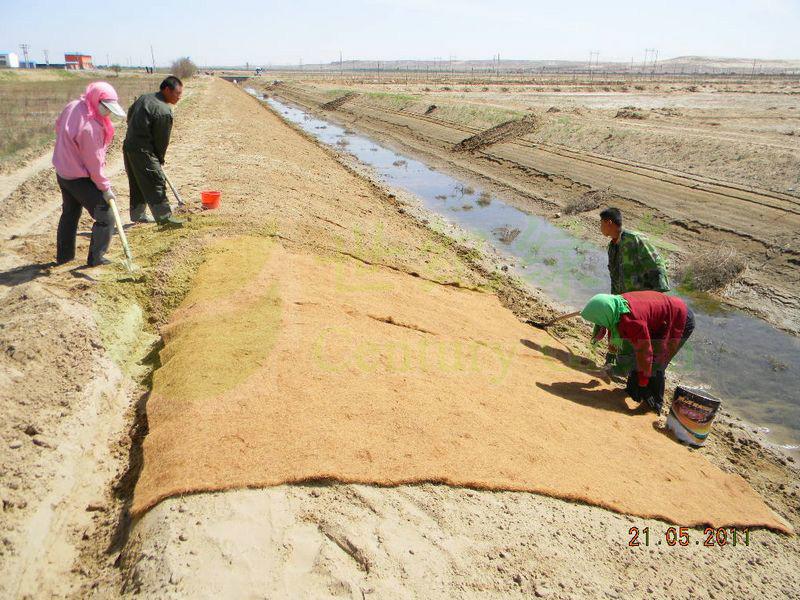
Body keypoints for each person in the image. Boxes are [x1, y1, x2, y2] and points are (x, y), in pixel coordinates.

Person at [581, 291, 695, 413]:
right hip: (657, 317)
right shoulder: (615, 307)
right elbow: (610, 328)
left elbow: (645, 353)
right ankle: (633, 391)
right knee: (636, 355)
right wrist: (610, 359)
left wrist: (643, 382)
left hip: (678, 317)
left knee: (657, 361)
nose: (597, 324)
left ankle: (654, 405)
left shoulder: (632, 321)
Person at [53, 81, 127, 267]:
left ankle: (64, 256)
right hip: (78, 178)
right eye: (106, 108)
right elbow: (94, 165)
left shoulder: (74, 106)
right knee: (106, 215)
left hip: (62, 172)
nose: (108, 113)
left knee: (70, 213)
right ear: (96, 101)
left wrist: (69, 151)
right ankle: (97, 258)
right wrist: (105, 189)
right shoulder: (91, 127)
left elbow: (58, 126)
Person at [123, 75, 185, 225]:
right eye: (177, 93)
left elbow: (129, 117)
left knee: (138, 181)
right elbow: (161, 141)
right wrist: (159, 159)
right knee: (155, 180)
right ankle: (165, 218)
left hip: (129, 147)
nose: (179, 97)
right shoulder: (164, 111)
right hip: (144, 151)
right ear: (167, 90)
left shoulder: (144, 98)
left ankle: (138, 214)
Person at [599, 207, 669, 295]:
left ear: (609, 223)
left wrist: (658, 295)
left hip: (642, 299)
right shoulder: (612, 247)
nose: (600, 228)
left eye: (601, 224)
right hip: (625, 301)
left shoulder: (635, 239)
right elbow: (615, 278)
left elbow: (656, 264)